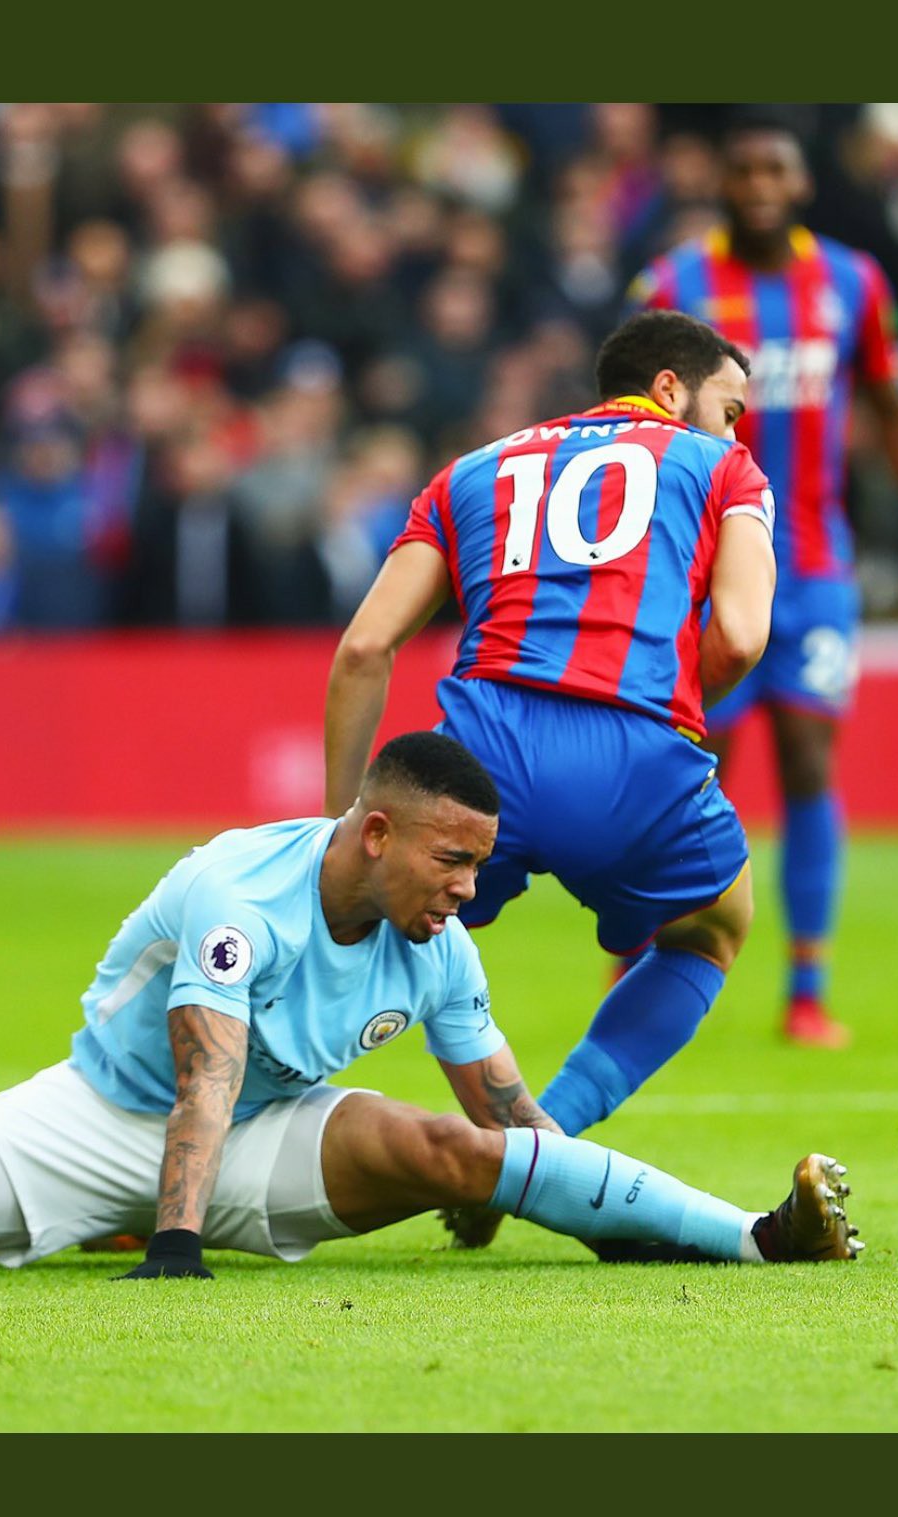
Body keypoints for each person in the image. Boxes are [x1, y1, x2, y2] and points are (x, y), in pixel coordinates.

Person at [0, 733, 860, 1281]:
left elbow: (512, 1121)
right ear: (371, 833)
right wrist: (172, 1248)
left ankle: (754, 1237)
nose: (469, 890)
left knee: (451, 1150)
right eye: (451, 859)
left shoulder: (440, 935)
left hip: (280, 1134)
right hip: (104, 1120)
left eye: (478, 867)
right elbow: (200, 1082)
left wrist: (567, 1205)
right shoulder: (241, 895)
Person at [324, 311, 776, 1179]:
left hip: (479, 758)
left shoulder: (468, 472)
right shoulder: (724, 469)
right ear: (671, 391)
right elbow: (745, 636)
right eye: (730, 407)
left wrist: (338, 823)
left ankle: (170, 1149)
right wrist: (671, 708)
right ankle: (545, 1146)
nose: (735, 428)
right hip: (637, 753)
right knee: (712, 929)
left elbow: (363, 650)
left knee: (347, 932)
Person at [631, 117, 898, 1050]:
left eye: (774, 170)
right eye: (741, 168)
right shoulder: (671, 286)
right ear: (720, 179)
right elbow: (627, 421)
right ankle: (651, 952)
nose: (757, 183)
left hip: (816, 568)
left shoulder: (850, 281)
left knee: (809, 763)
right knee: (693, 764)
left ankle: (805, 989)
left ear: (800, 184)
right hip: (702, 568)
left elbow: (889, 404)